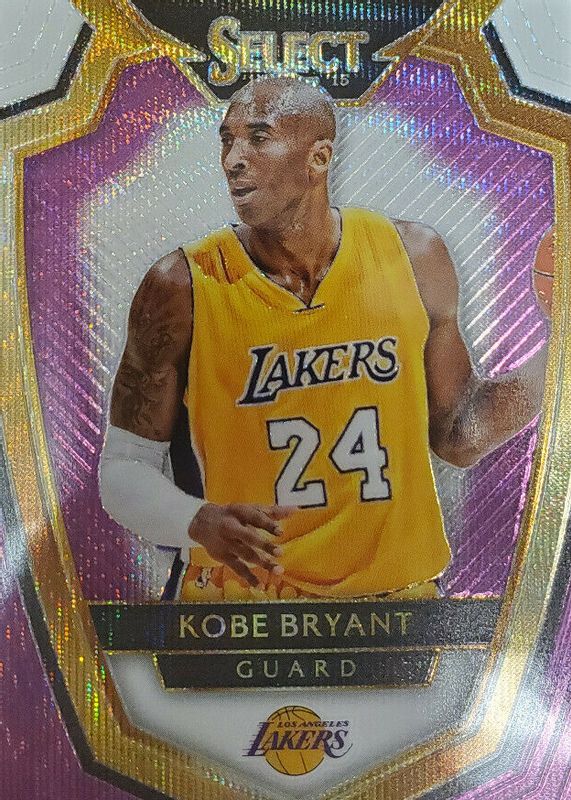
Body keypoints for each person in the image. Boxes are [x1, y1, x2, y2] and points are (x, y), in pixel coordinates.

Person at [99, 77, 551, 602]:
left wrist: (561, 353)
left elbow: (459, 435)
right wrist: (193, 519)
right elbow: (125, 467)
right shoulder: (181, 285)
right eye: (227, 140)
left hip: (397, 606)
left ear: (318, 158)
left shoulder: (414, 256)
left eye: (258, 138)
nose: (233, 160)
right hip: (242, 608)